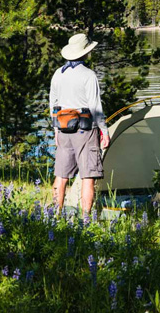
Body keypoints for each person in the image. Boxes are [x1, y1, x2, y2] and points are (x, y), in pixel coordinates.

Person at [49, 33, 110, 214]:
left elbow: (53, 104)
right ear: (85, 52)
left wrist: (55, 130)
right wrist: (104, 131)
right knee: (88, 176)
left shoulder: (57, 74)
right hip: (86, 131)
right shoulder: (88, 75)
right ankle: (85, 221)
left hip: (63, 129)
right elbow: (95, 106)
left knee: (61, 176)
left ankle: (54, 217)